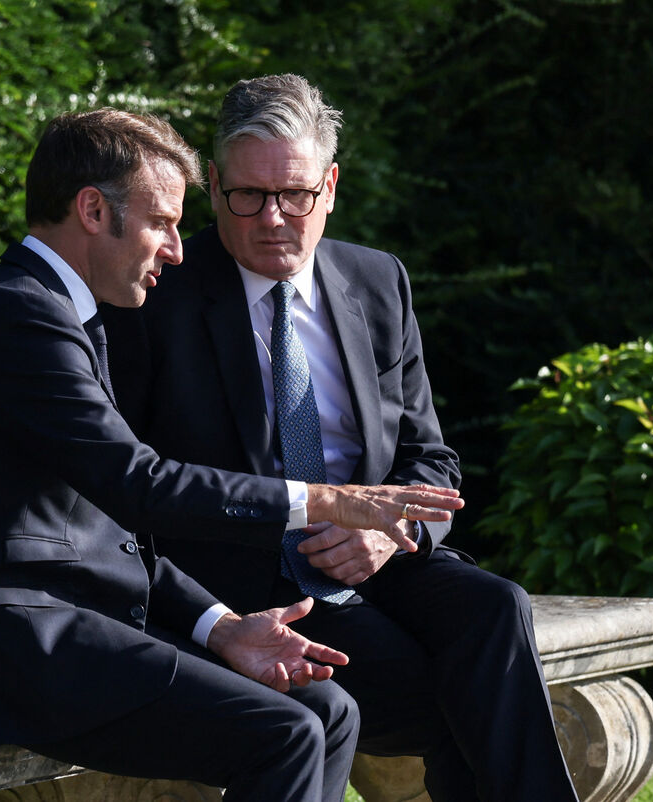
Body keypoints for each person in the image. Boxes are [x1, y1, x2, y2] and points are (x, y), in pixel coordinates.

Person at [0, 107, 467, 802]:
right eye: (162, 222)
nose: (178, 250)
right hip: (4, 644)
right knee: (285, 731)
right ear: (93, 210)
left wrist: (224, 629)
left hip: (71, 626)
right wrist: (325, 500)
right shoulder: (18, 316)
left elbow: (116, 532)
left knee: (328, 710)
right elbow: (139, 486)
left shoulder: (68, 314)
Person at [103, 75, 580, 801]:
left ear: (329, 186)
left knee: (496, 608)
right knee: (459, 692)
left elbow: (430, 457)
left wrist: (391, 532)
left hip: (382, 559)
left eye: (294, 194)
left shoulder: (376, 280)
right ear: (215, 189)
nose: (273, 218)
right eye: (249, 195)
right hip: (253, 580)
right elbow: (134, 484)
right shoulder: (157, 293)